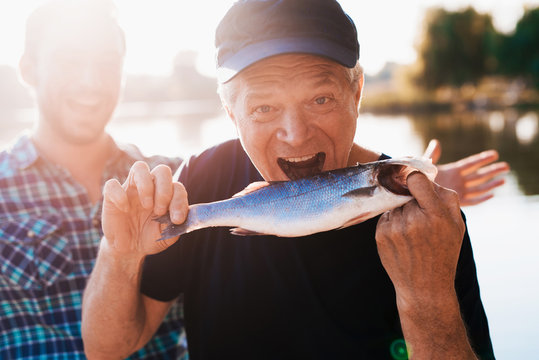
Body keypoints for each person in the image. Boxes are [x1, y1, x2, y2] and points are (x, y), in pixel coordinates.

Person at [82, 1, 502, 359]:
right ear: (232, 115)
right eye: (264, 108)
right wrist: (120, 256)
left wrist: (426, 297)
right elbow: (109, 348)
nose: (296, 134)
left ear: (356, 95)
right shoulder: (201, 182)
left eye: (320, 99)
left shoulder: (427, 219)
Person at [0, 0, 187, 358]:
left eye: (107, 63)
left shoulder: (174, 178)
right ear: (29, 69)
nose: (92, 82)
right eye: (70, 61)